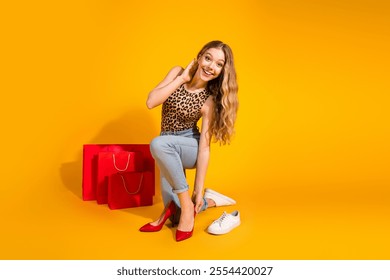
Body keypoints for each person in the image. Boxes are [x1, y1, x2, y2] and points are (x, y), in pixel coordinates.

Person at [139, 40, 239, 241]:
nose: (211, 66)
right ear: (200, 56)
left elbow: (204, 148)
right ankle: (209, 201)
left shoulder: (209, 99)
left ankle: (188, 207)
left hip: (189, 147)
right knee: (173, 213)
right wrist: (182, 78)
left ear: (221, 71)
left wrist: (197, 188)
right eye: (208, 58)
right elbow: (151, 102)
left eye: (219, 64)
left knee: (158, 143)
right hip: (167, 149)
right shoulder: (177, 72)